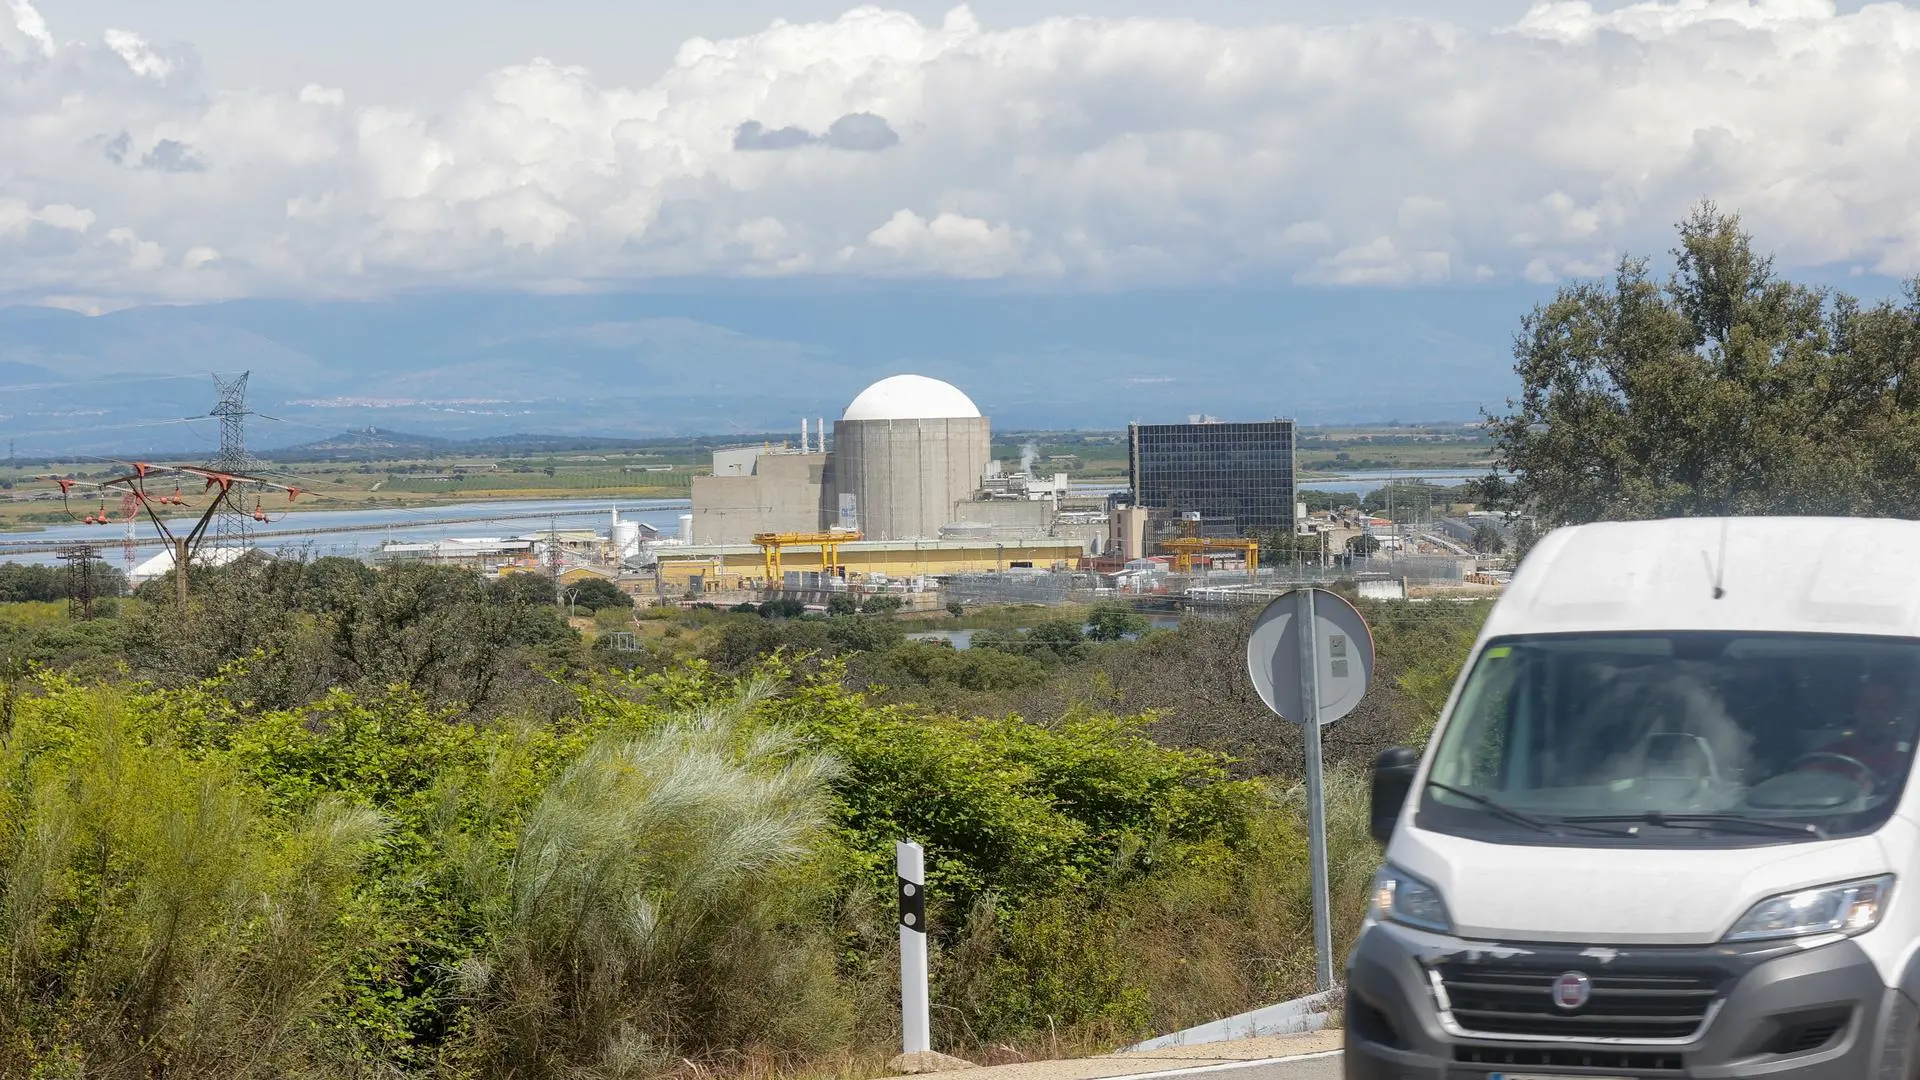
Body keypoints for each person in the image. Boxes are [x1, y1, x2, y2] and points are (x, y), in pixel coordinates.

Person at [1799, 661, 1919, 791]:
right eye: (1865, 704)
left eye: (1883, 706)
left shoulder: (1909, 762)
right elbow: (1800, 786)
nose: (1872, 713)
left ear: (1897, 710)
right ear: (1856, 708)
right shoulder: (1828, 756)